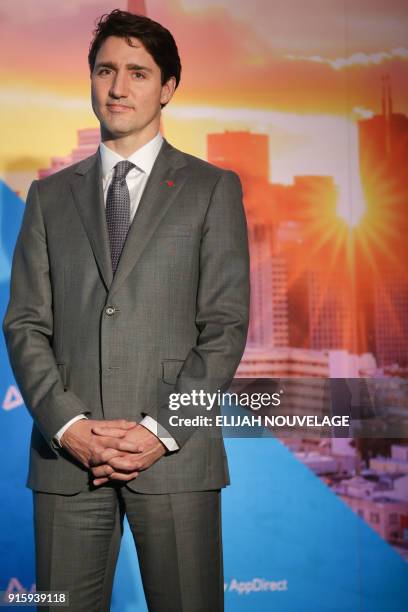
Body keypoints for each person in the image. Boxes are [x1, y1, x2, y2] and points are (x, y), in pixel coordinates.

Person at [3, 9, 249, 612]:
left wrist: (157, 431)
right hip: (68, 462)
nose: (118, 87)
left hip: (175, 457)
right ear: (90, 80)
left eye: (138, 73)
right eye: (105, 70)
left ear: (167, 88)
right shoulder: (48, 196)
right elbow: (25, 324)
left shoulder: (212, 189)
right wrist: (67, 426)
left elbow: (223, 328)